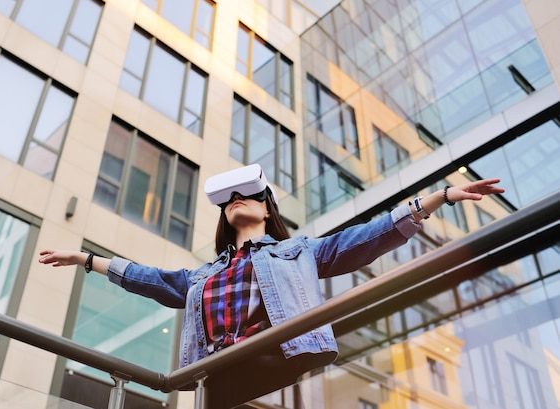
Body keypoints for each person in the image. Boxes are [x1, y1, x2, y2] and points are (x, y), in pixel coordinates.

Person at [38, 164, 504, 408]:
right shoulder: (203, 276)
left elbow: (366, 239)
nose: (236, 201)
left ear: (267, 207)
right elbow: (151, 279)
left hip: (275, 366)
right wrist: (88, 260)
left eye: (248, 194)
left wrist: (434, 200)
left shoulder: (298, 252)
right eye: (227, 200)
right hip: (217, 379)